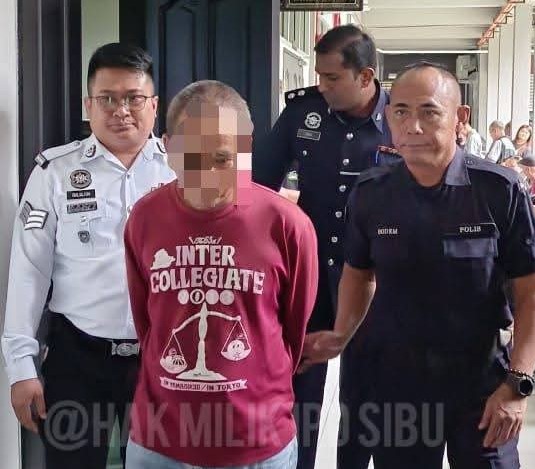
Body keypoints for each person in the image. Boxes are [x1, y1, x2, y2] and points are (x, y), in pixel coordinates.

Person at [302, 62, 535, 468]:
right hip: (400, 386)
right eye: (401, 112)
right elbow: (359, 274)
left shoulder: (498, 190)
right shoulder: (372, 193)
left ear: (459, 116)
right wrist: (342, 335)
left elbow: (531, 293)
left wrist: (518, 383)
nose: (412, 126)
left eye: (429, 112)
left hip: (481, 384)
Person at [123, 80, 318, 468]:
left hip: (256, 442)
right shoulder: (145, 218)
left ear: (246, 150)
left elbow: (293, 332)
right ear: (168, 147)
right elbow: (148, 322)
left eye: (222, 159)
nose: (207, 173)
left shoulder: (286, 225)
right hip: (160, 442)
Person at [1, 43, 176, 468]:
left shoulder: (181, 170)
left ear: (154, 105)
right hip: (77, 358)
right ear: (88, 105)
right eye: (107, 99)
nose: (122, 111)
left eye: (134, 98)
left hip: (164, 359)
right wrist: (21, 367)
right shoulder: (55, 173)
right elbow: (29, 272)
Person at [253, 24, 398, 469]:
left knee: (366, 391)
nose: (322, 86)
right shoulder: (303, 113)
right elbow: (258, 184)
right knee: (301, 386)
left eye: (332, 78)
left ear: (366, 76)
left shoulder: (400, 119)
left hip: (376, 279)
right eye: (319, 76)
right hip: (308, 274)